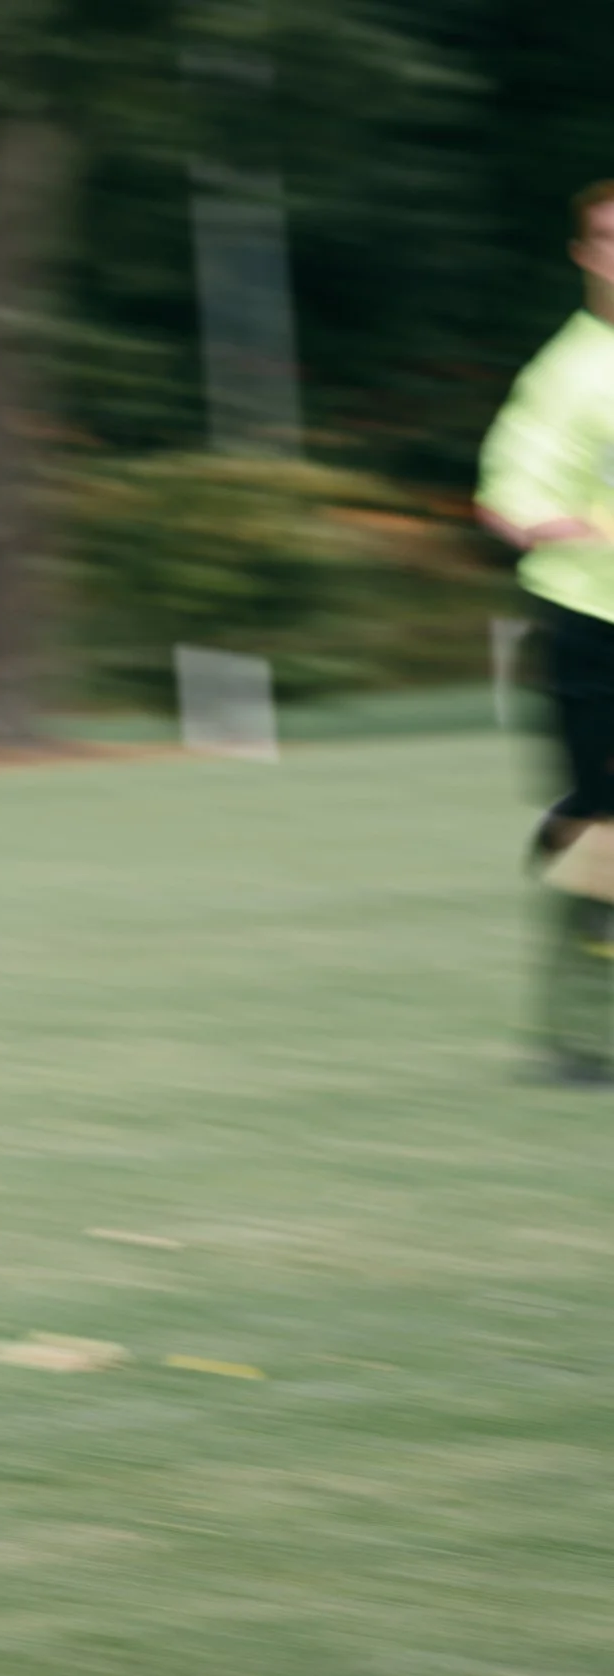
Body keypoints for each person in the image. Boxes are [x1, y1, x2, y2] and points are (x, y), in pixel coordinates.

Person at [478, 180, 614, 1085]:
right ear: (583, 255)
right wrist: (538, 519)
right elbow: (506, 487)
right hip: (590, 618)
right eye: (606, 239)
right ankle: (580, 1038)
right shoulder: (567, 372)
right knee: (603, 834)